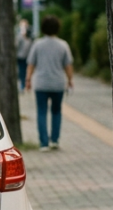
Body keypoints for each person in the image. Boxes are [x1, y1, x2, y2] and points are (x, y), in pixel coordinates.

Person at [26, 15, 74, 151]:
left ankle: (44, 143)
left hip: (41, 83)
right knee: (56, 111)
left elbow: (31, 64)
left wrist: (28, 79)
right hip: (58, 83)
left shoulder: (38, 44)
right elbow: (68, 65)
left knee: (41, 112)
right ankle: (55, 140)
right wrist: (70, 80)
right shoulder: (63, 45)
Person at [16, 19, 33, 92]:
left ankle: (25, 84)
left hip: (26, 57)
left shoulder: (29, 36)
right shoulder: (20, 36)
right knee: (22, 71)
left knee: (25, 71)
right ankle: (23, 85)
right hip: (22, 57)